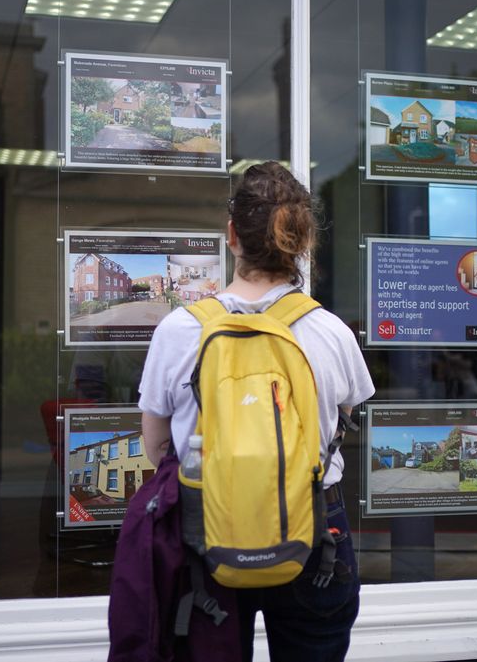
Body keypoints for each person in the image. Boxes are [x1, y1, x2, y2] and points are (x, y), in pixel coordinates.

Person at [138, 161, 375, 662]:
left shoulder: (180, 330)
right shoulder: (330, 331)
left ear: (232, 235)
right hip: (314, 523)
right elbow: (346, 414)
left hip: (208, 521)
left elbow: (157, 446)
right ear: (303, 241)